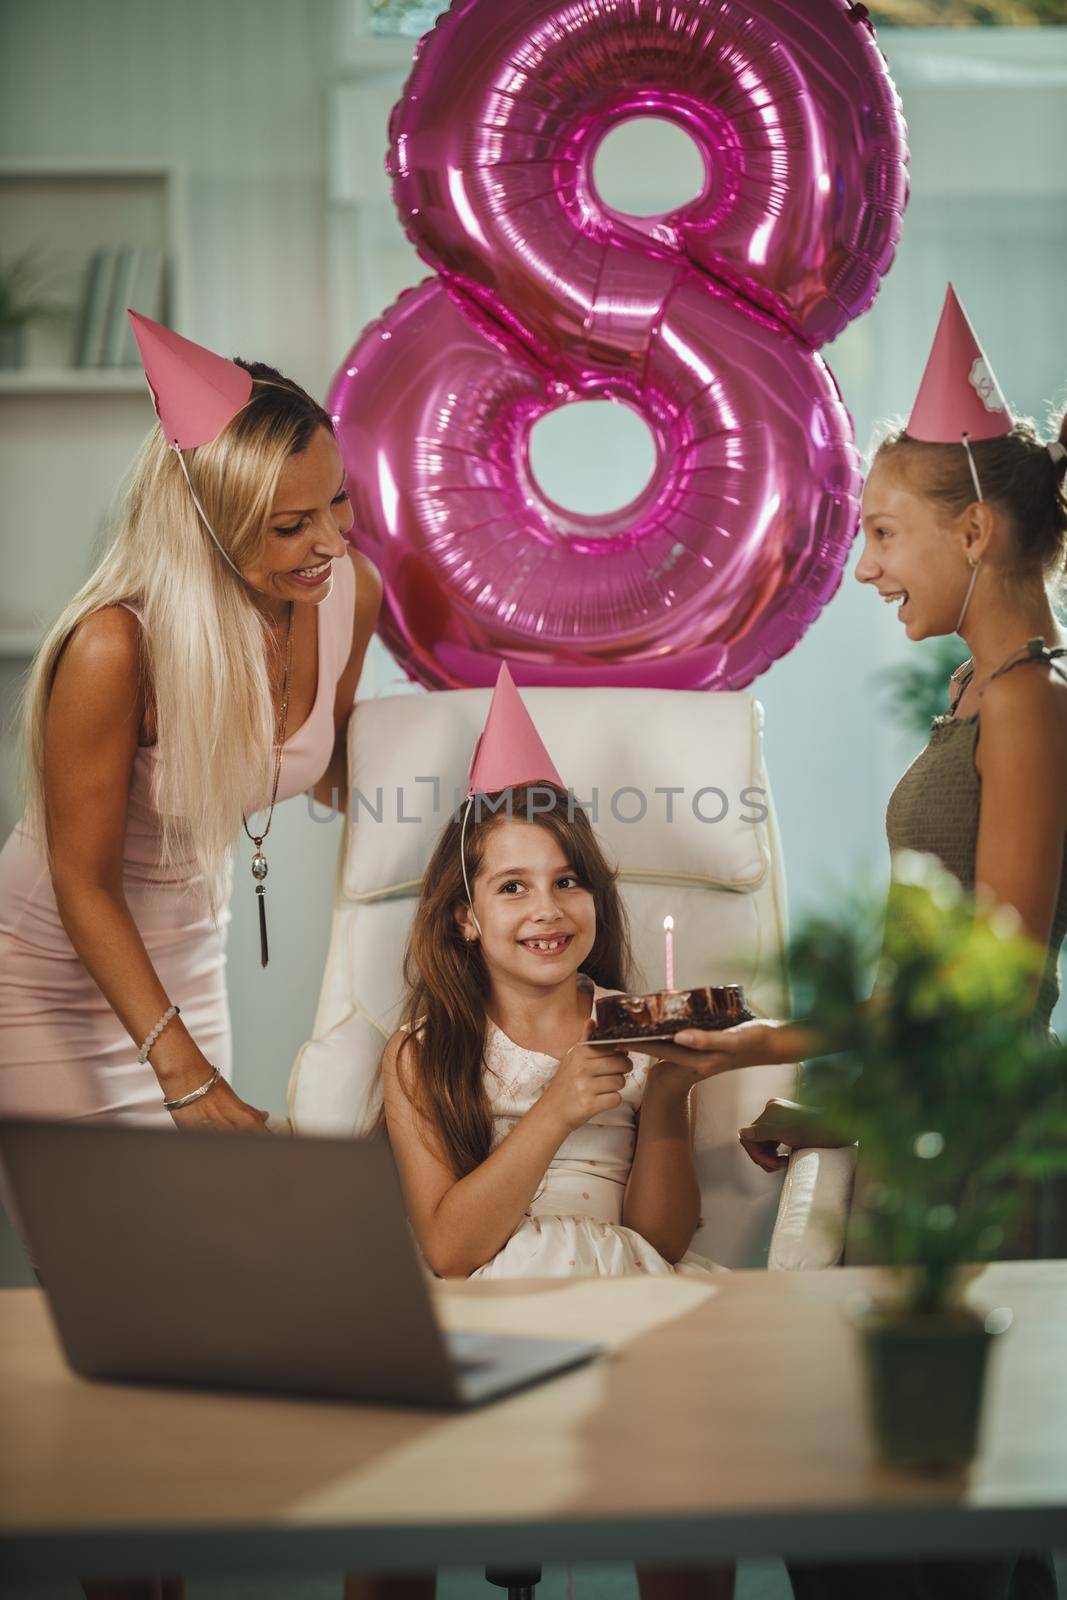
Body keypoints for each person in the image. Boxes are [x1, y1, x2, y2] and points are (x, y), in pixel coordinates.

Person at [655, 286, 1066, 1599]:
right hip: (916, 1136)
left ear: (973, 527)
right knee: (858, 1520)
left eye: (884, 534)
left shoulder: (1028, 707)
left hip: (968, 1170)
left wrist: (768, 1049)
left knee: (909, 1536)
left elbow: (987, 999)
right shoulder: (982, 694)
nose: (868, 567)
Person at [346, 663, 734, 1600]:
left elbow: (658, 1238)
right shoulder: (425, 1053)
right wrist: (558, 1107)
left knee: (695, 1471)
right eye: (513, 888)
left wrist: (671, 1093)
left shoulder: (632, 1028)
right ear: (467, 919)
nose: (548, 909)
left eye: (567, 882)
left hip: (622, 1284)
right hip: (484, 1298)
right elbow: (448, 1247)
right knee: (390, 1489)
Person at [0, 312, 381, 1184]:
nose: (329, 541)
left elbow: (329, 764)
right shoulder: (115, 647)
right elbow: (81, 880)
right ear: (206, 523)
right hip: (47, 976)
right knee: (105, 1256)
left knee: (203, 1248)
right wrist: (181, 1070)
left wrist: (466, 817)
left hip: (184, 957)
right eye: (290, 525)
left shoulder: (347, 592)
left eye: (336, 500)